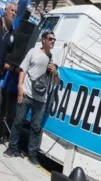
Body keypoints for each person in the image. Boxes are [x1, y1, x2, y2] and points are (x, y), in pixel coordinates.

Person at [4, 32, 60, 165]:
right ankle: (12, 147)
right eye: (50, 39)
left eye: (54, 39)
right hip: (27, 93)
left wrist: (55, 73)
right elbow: (23, 70)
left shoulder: (53, 59)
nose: (53, 41)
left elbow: (57, 82)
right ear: (44, 40)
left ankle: (32, 154)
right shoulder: (33, 52)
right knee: (18, 121)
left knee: (35, 127)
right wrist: (20, 87)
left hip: (41, 99)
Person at [0, 2, 16, 77]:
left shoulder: (13, 33)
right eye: (12, 10)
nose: (14, 13)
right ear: (6, 10)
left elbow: (10, 52)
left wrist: (7, 63)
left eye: (15, 12)